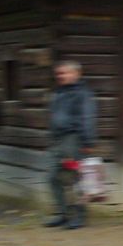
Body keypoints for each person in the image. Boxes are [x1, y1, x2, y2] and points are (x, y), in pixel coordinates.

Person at [44, 60, 96, 230]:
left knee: (75, 179)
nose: (60, 76)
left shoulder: (83, 94)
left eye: (64, 73)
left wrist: (88, 142)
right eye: (59, 73)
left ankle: (78, 216)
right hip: (58, 141)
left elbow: (88, 118)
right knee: (53, 177)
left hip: (73, 141)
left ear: (76, 74)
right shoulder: (58, 92)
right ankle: (63, 214)